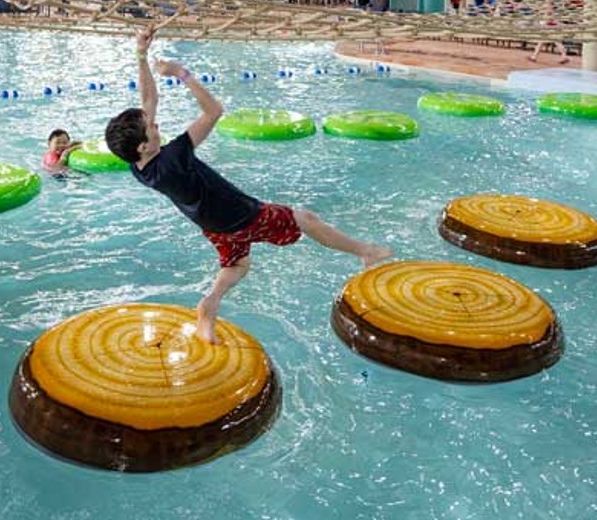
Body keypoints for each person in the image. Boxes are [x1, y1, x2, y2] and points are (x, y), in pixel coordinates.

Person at [105, 28, 392, 343]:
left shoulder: (138, 166)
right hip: (240, 214)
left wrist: (141, 54)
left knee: (238, 263)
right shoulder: (175, 158)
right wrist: (180, 73)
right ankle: (366, 252)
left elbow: (148, 99)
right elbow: (214, 111)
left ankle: (210, 303)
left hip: (213, 225)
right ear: (143, 146)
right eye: (151, 127)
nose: (155, 123)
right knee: (304, 218)